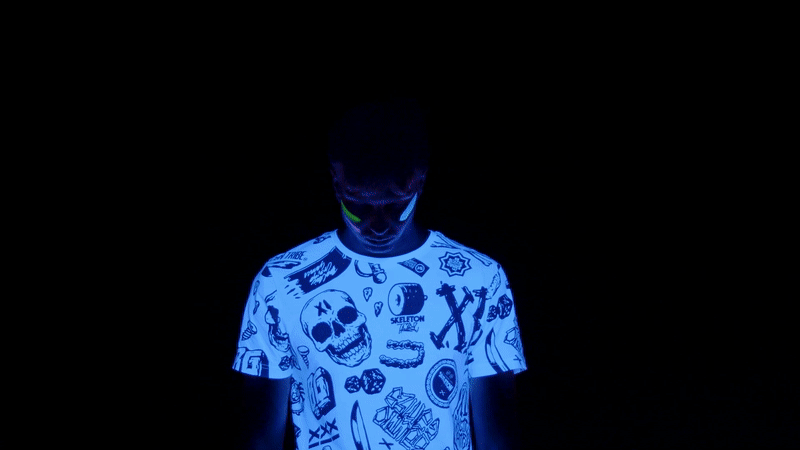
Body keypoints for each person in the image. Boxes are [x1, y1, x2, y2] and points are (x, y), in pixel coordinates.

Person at [233, 98, 527, 450]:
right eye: (359, 205)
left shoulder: (480, 280)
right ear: (336, 181)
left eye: (395, 205)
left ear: (420, 180)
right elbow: (257, 437)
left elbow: (500, 436)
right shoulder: (279, 283)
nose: (377, 226)